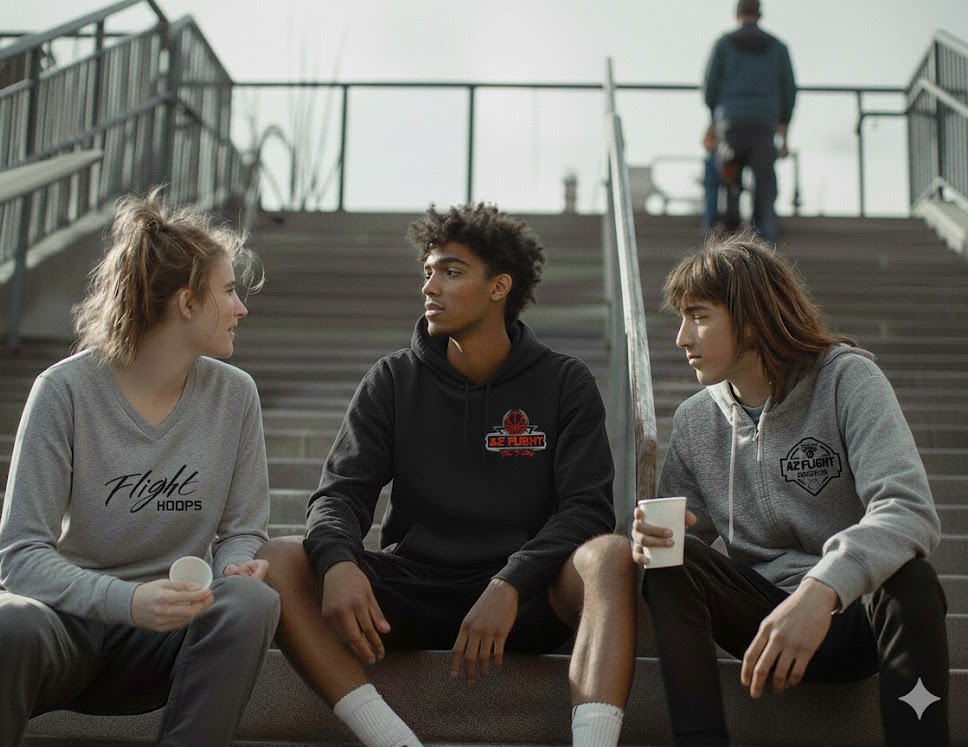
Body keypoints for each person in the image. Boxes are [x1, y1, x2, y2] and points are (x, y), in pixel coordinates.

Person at [258, 203, 637, 747]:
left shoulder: (564, 382)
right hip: (413, 588)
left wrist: (510, 582)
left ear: (499, 286)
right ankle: (390, 737)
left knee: (611, 556)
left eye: (452, 272)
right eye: (428, 271)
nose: (430, 286)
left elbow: (588, 509)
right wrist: (338, 560)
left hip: (523, 599)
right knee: (279, 559)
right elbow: (339, 495)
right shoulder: (393, 379)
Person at [0, 189, 281, 746]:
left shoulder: (234, 396)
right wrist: (126, 600)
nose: (241, 307)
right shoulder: (64, 390)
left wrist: (237, 566)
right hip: (52, 628)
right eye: (227, 291)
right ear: (186, 302)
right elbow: (21, 553)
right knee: (5, 622)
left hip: (160, 635)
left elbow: (242, 530)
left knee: (252, 602)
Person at [632, 231, 949, 745]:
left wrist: (820, 591)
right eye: (681, 319)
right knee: (673, 562)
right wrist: (649, 540)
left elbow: (908, 510)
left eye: (700, 316)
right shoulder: (696, 420)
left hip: (849, 616)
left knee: (912, 581)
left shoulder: (847, 381)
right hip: (760, 624)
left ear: (753, 320)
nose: (682, 338)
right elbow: (680, 543)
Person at [702, 0, 796, 243]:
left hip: (731, 123)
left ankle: (727, 235)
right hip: (765, 124)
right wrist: (784, 132)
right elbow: (789, 91)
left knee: (730, 175)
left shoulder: (723, 45)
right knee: (764, 181)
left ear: (736, 14)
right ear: (760, 14)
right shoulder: (778, 48)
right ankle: (765, 240)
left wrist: (714, 120)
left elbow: (710, 88)